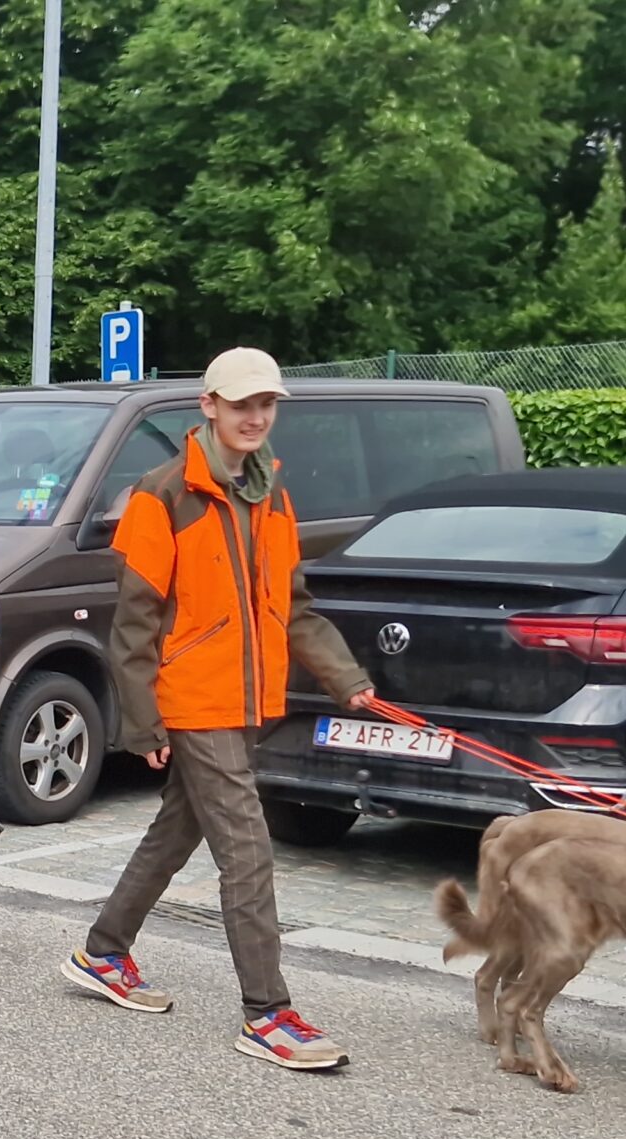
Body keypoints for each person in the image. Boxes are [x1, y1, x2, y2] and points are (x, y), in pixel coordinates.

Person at [65, 348, 379, 1072]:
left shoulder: (272, 494)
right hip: (193, 699)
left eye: (266, 404)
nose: (256, 416)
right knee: (248, 850)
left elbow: (293, 609)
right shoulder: (162, 494)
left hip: (245, 701)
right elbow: (134, 624)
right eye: (241, 403)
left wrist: (346, 678)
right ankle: (266, 1012)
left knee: (177, 832)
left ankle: (104, 952)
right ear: (208, 405)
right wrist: (140, 721)